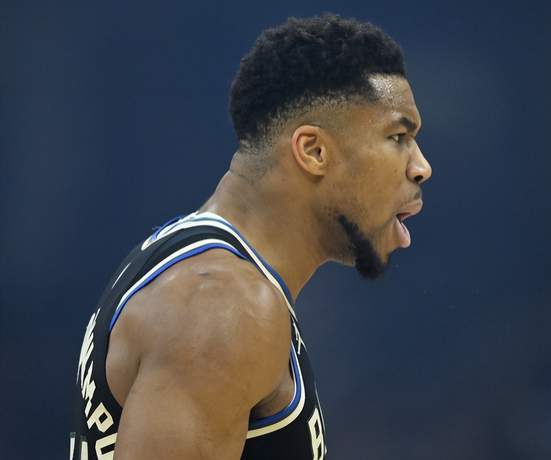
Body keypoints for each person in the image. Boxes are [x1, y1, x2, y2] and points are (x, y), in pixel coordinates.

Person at [70, 13, 431, 460]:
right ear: (314, 151)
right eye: (398, 136)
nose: (422, 167)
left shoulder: (202, 273)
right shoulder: (221, 306)